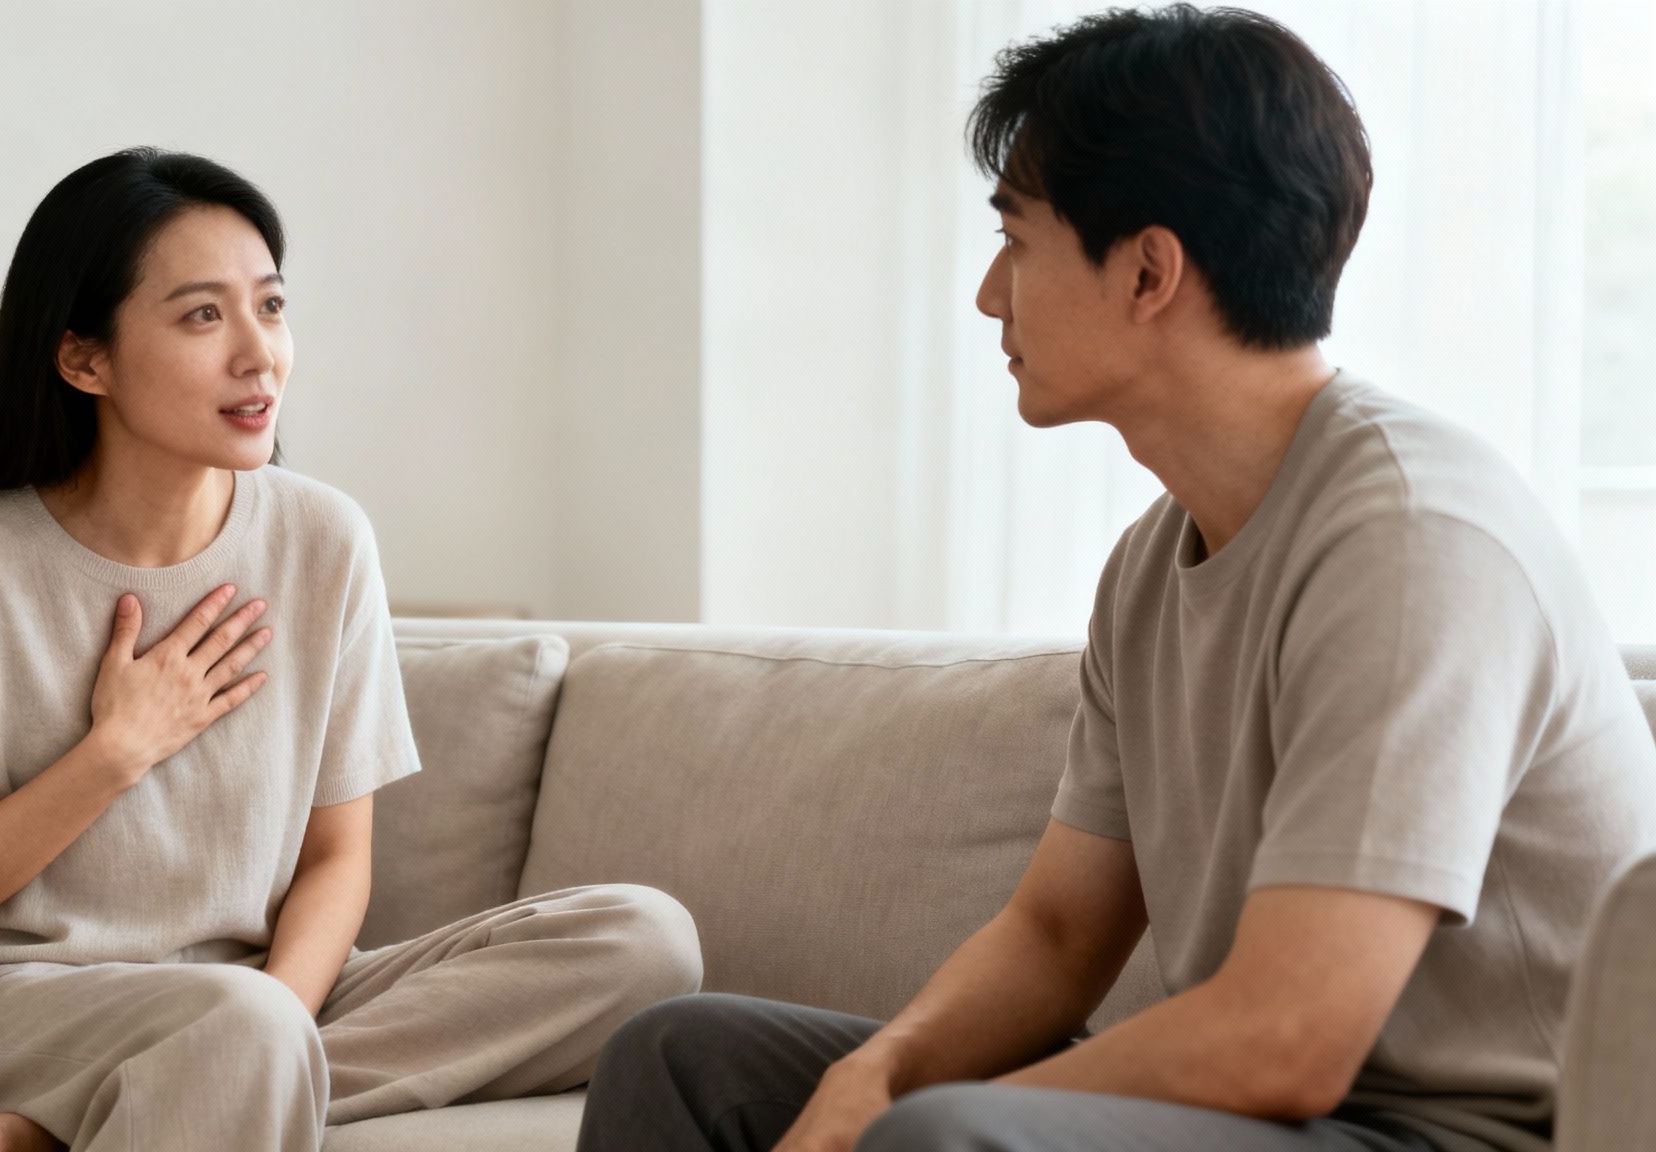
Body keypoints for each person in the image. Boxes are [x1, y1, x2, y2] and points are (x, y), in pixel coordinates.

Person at [574, 7, 1656, 1152]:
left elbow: (1288, 1036)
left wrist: (921, 1114)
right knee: (686, 1058)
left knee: (945, 1139)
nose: (990, 294)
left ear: (1146, 270)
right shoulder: (1151, 564)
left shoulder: (1416, 539)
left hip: (1469, 1133)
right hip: (1286, 1116)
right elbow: (1053, 935)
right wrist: (874, 1073)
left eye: (1017, 241)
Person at [0, 146, 702, 1152]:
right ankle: (182, 1076)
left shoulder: (323, 540)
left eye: (271, 307)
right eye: (203, 316)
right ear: (83, 358)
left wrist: (280, 1015)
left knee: (642, 943)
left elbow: (338, 859)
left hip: (248, 991)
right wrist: (113, 753)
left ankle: (120, 1109)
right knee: (232, 1024)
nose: (259, 355)